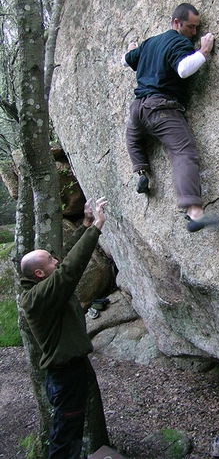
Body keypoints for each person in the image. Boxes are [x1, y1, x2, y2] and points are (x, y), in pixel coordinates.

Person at [20, 197, 109, 459]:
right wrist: (96, 229)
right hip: (65, 377)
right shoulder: (38, 298)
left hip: (67, 374)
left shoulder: (40, 285)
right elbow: (68, 269)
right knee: (65, 439)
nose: (55, 260)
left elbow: (62, 261)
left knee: (70, 433)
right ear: (40, 274)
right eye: (50, 260)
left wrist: (85, 223)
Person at [122, 3, 217, 232]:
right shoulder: (178, 41)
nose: (194, 33)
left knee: (134, 138)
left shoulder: (149, 43)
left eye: (197, 29)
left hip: (138, 109)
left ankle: (141, 172)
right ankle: (194, 212)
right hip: (161, 107)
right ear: (176, 23)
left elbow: (125, 60)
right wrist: (203, 51)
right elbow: (183, 69)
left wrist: (131, 48)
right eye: (191, 27)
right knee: (184, 151)